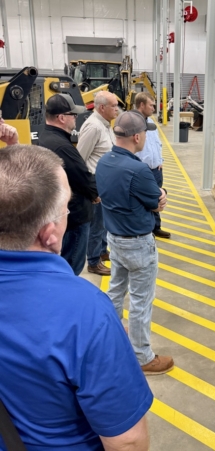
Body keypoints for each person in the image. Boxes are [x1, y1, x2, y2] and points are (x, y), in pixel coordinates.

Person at [0, 144, 153, 451]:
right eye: (66, 208)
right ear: (49, 235)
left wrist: (10, 157)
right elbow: (128, 442)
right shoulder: (85, 312)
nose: (68, 213)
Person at [96, 111, 174, 376]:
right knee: (141, 301)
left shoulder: (105, 162)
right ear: (138, 137)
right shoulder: (138, 169)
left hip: (115, 239)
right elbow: (155, 202)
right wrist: (160, 195)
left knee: (116, 289)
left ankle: (111, 338)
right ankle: (142, 356)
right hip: (138, 244)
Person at [39, 93, 99, 275]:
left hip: (59, 213)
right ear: (61, 118)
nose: (76, 118)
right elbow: (82, 176)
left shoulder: (44, 137)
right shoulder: (62, 147)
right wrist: (95, 194)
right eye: (73, 115)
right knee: (71, 267)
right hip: (75, 218)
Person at [77, 91, 119, 276]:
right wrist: (90, 187)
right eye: (114, 106)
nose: (117, 109)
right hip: (95, 182)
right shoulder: (93, 127)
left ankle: (102, 252)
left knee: (103, 223)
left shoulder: (105, 125)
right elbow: (80, 158)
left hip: (105, 182)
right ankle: (93, 262)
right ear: (102, 108)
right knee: (96, 225)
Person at [135, 92, 171, 239]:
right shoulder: (133, 123)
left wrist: (160, 160)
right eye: (151, 105)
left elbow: (157, 143)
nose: (154, 108)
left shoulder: (151, 122)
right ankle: (145, 230)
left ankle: (156, 227)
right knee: (143, 201)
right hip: (142, 170)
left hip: (156, 170)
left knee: (156, 198)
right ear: (142, 105)